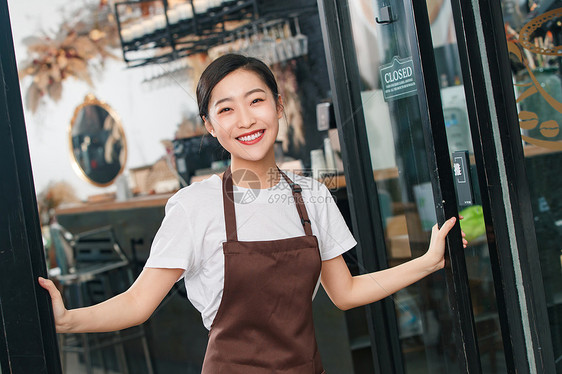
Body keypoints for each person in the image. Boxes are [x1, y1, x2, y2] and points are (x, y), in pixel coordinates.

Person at [39, 53, 467, 373]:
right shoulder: (193, 207)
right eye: (225, 109)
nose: (245, 120)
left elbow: (346, 292)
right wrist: (68, 320)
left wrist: (428, 262)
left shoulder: (312, 196)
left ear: (278, 106)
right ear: (209, 125)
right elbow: (137, 302)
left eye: (256, 101)